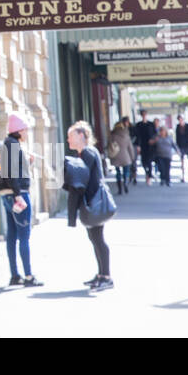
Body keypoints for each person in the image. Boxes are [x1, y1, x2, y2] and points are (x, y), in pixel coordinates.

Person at [65, 121, 113, 291]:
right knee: (95, 238)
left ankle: (106, 276)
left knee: (98, 239)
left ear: (81, 136)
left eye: (70, 136)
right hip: (92, 203)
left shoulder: (88, 153)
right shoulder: (85, 153)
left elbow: (80, 179)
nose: (68, 139)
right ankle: (101, 274)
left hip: (94, 203)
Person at [0, 113, 42, 287]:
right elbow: (13, 174)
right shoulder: (14, 146)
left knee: (12, 235)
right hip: (19, 195)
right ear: (19, 130)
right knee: (24, 236)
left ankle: (15, 275)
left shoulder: (8, 145)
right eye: (25, 129)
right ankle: (29, 276)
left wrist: (27, 162)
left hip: (7, 195)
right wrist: (18, 195)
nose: (27, 132)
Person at [107, 118, 136, 195]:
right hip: (125, 156)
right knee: (126, 171)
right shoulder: (126, 135)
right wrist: (132, 157)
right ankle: (125, 183)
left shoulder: (112, 135)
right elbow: (130, 148)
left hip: (115, 156)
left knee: (118, 172)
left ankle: (120, 188)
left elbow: (109, 146)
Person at [133, 110, 158, 185]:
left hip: (150, 146)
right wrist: (138, 146)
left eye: (145, 114)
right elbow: (137, 136)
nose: (144, 115)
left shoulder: (151, 124)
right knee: (143, 162)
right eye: (142, 114)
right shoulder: (138, 125)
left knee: (149, 161)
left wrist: (153, 140)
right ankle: (147, 173)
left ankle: (149, 177)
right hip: (142, 145)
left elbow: (155, 134)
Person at [154, 122, 177, 186]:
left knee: (167, 168)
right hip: (159, 155)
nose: (162, 132)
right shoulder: (157, 137)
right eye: (161, 131)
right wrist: (154, 141)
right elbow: (152, 144)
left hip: (168, 155)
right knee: (161, 168)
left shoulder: (169, 138)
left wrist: (178, 151)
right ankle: (162, 179)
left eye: (163, 131)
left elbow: (174, 145)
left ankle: (168, 180)